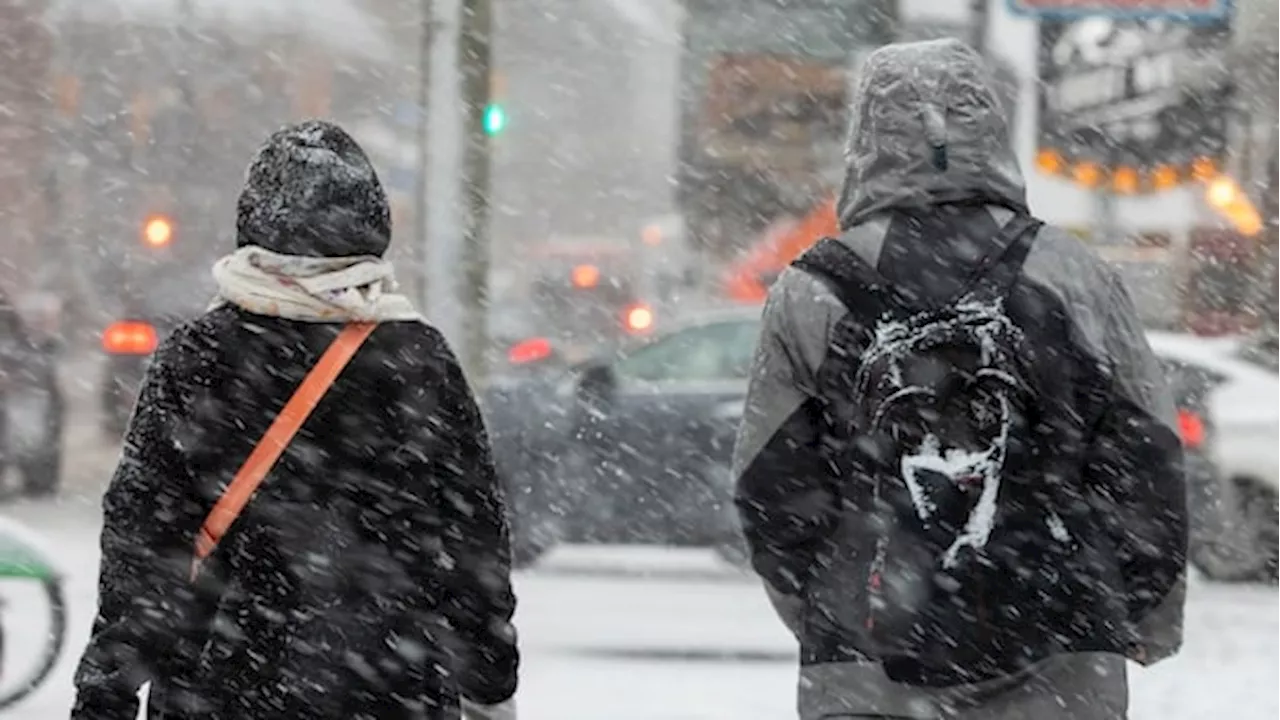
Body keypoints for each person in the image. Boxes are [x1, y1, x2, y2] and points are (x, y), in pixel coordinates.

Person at [733, 39, 1186, 720]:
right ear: (990, 128)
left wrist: (834, 607)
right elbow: (1145, 457)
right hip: (1061, 653)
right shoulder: (1073, 274)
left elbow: (769, 487)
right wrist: (1136, 614)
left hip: (868, 666)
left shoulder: (811, 290)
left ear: (866, 138)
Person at [71, 121, 518, 720]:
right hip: (390, 685)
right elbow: (472, 534)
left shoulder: (199, 356)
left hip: (222, 684)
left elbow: (144, 537)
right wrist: (488, 674)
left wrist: (108, 690)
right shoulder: (416, 359)